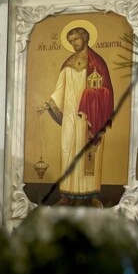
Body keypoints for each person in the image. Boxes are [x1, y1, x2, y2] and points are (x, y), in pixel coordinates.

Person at [38, 25, 114, 207]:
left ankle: (90, 195)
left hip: (89, 117)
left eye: (76, 39)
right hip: (70, 117)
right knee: (68, 151)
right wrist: (49, 104)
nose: (74, 43)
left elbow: (107, 91)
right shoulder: (68, 63)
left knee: (89, 153)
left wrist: (92, 96)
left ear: (85, 38)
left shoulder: (97, 62)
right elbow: (60, 89)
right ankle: (67, 194)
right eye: (71, 41)